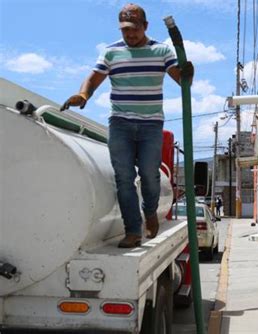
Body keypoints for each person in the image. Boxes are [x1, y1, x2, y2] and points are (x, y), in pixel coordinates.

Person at [61, 3, 194, 248]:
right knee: (124, 178)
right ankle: (132, 230)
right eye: (125, 30)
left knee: (150, 176)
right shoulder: (111, 52)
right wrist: (84, 95)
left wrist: (188, 73)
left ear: (145, 26)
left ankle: (151, 211)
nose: (129, 34)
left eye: (134, 29)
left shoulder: (162, 50)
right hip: (120, 121)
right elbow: (95, 77)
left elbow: (181, 79)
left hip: (151, 124)